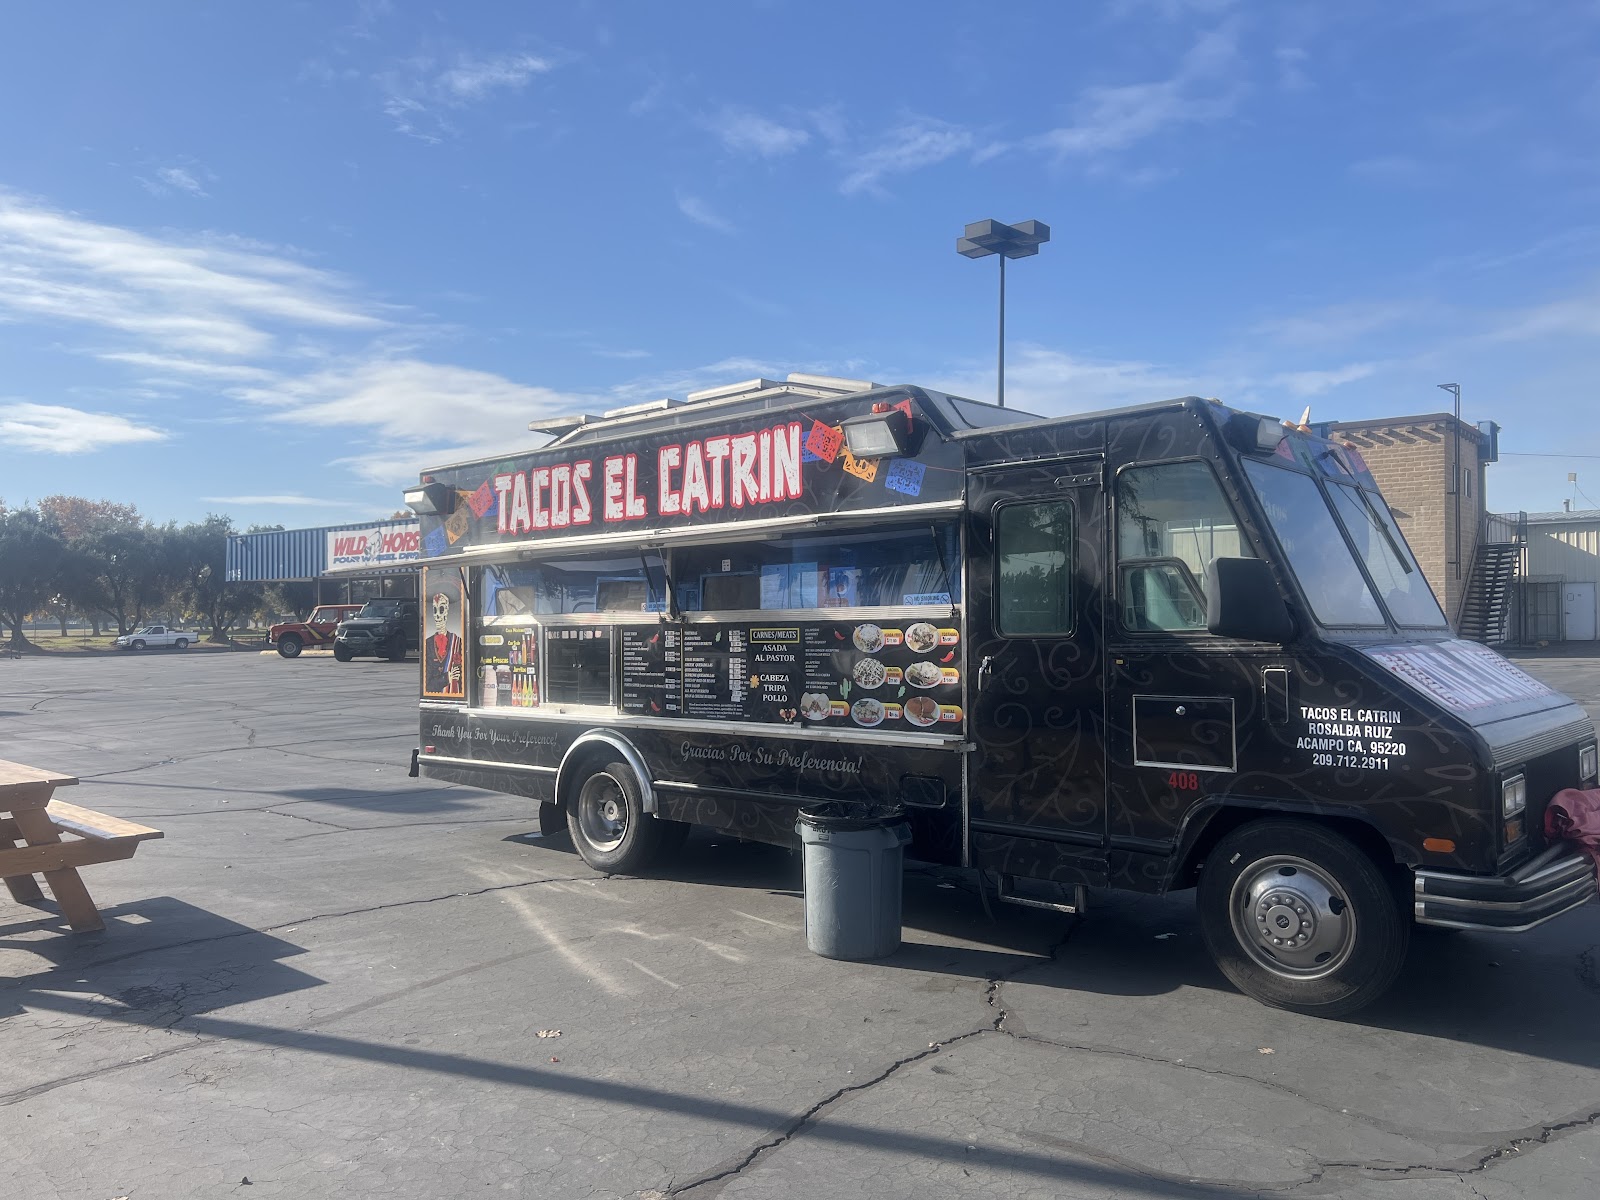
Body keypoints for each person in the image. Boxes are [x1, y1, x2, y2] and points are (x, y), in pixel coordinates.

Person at [424, 591, 463, 697]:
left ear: (446, 611)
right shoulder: (427, 644)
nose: (437, 615)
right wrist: (447, 678)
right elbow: (426, 685)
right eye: (434, 610)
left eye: (441, 610)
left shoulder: (458, 642)